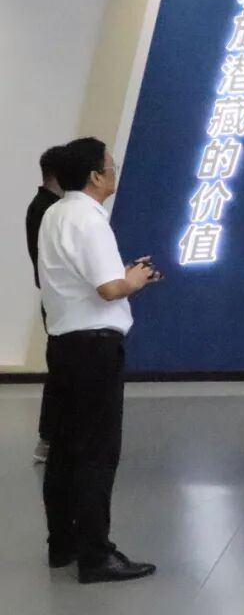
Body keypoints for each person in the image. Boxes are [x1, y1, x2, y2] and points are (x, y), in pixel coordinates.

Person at [38, 137, 158, 583]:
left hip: (64, 343)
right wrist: (136, 278)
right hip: (94, 348)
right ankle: (96, 554)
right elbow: (110, 288)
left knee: (65, 449)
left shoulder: (55, 214)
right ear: (95, 176)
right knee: (97, 452)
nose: (114, 170)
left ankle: (62, 544)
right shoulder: (90, 220)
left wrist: (123, 276)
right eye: (110, 165)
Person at [26, 145, 66, 464]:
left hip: (55, 299)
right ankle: (50, 438)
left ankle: (52, 438)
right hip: (58, 301)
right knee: (61, 369)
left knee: (61, 368)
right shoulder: (48, 210)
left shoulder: (45, 206)